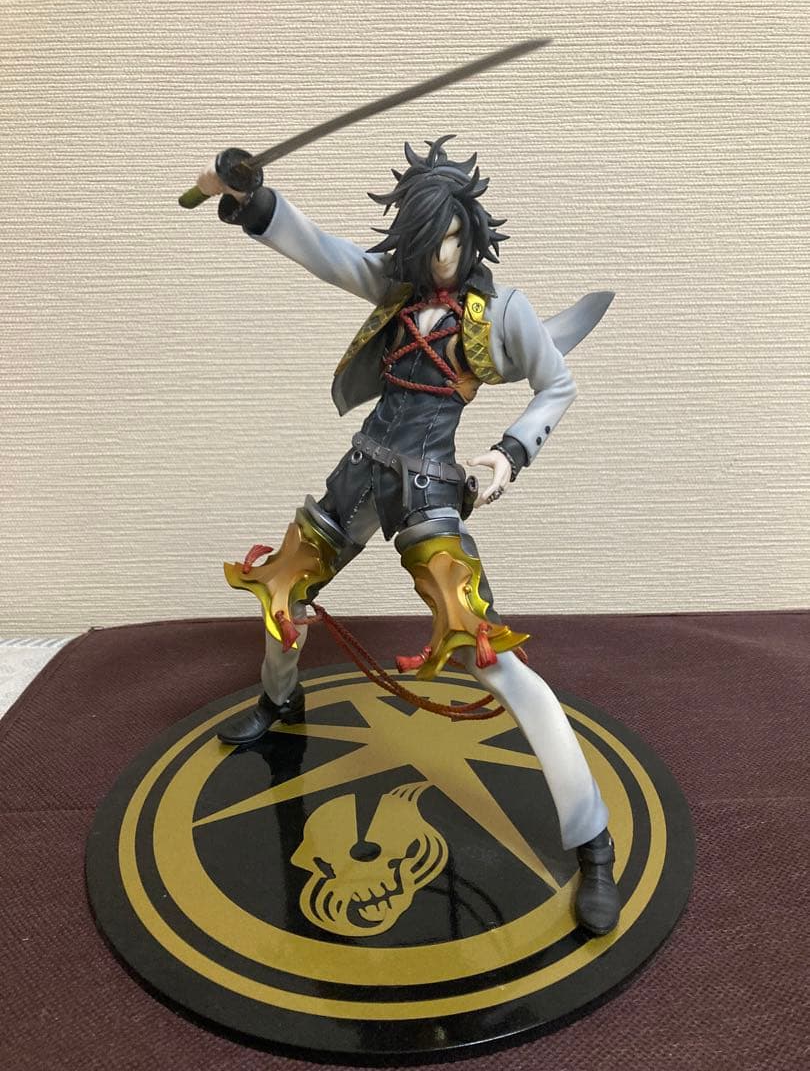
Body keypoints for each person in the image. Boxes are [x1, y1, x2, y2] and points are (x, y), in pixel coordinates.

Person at [196, 136, 620, 936]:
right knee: (282, 590)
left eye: (453, 239)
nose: (441, 256)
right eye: (428, 242)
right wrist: (250, 198)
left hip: (427, 491)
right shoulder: (396, 288)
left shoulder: (499, 315)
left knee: (488, 653)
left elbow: (557, 383)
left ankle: (591, 837)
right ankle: (279, 700)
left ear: (472, 234)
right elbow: (322, 252)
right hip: (359, 472)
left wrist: (507, 454)